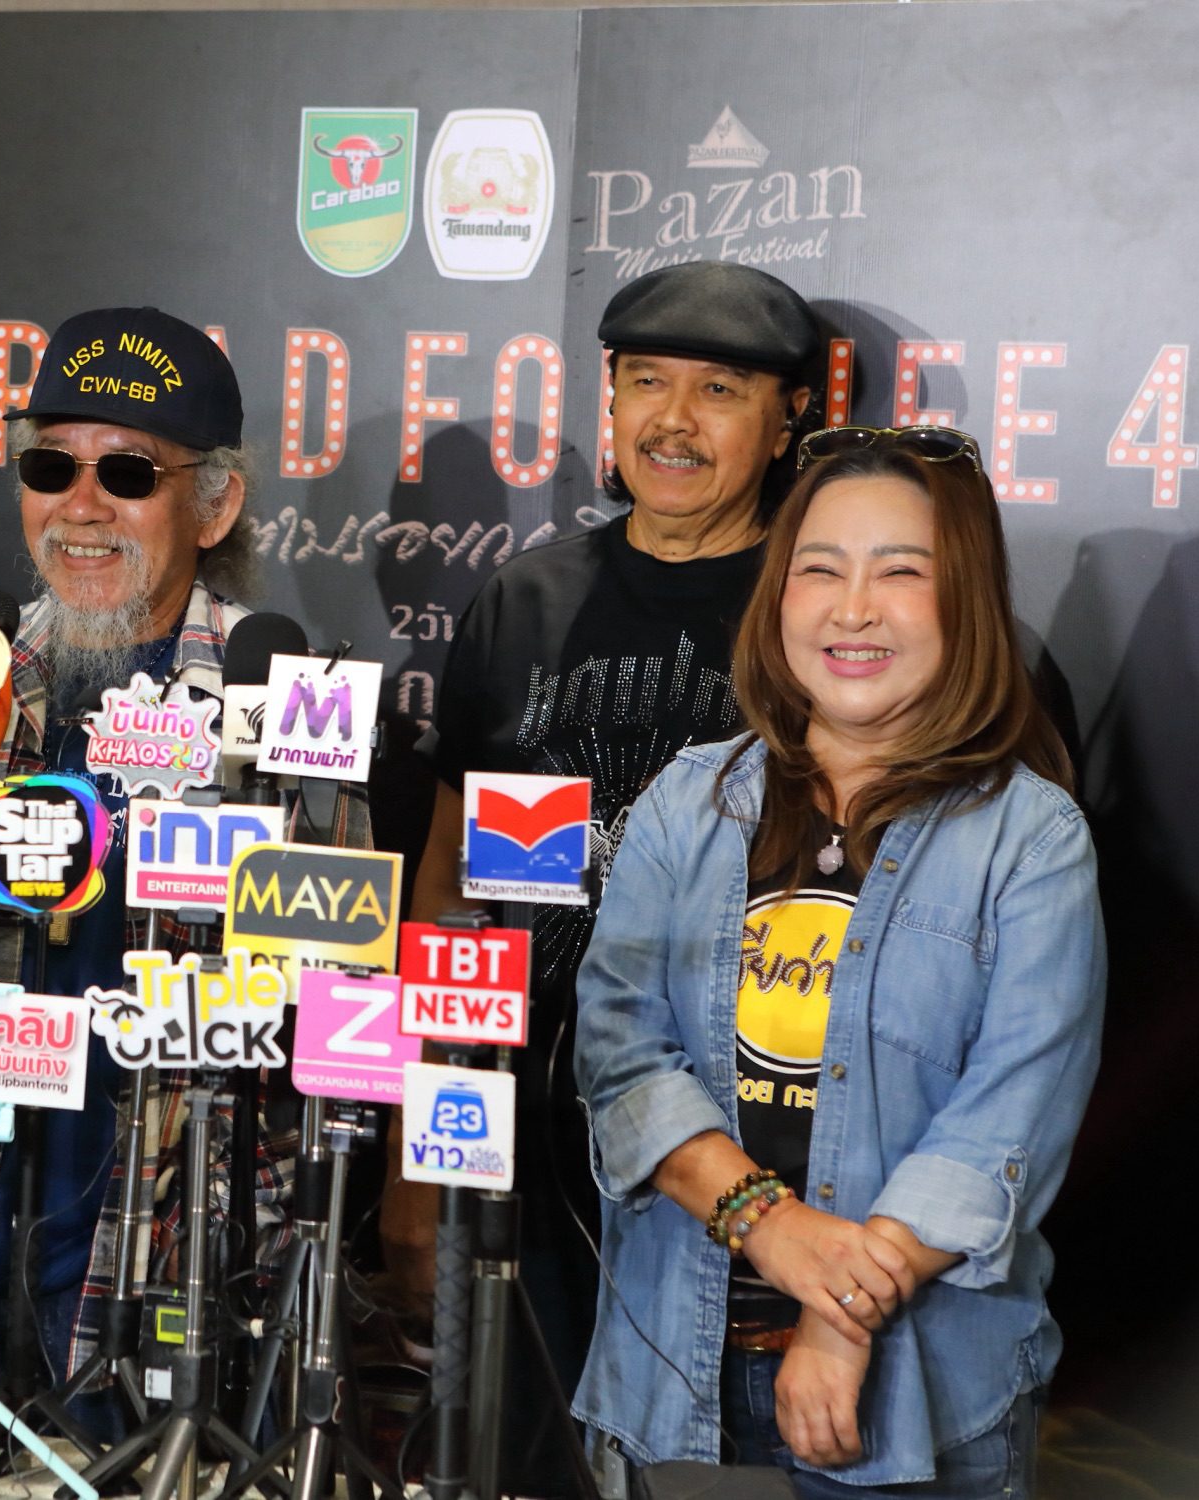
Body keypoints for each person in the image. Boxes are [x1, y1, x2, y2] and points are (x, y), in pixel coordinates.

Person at [0, 307, 358, 1409]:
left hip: (181, 1283)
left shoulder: (282, 710)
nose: (82, 505)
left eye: (129, 472)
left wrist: (265, 1274)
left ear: (216, 504)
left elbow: (331, 1036)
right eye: (52, 464)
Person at [572, 425, 1104, 1496]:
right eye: (820, 569)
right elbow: (621, 1054)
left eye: (900, 573)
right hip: (673, 1375)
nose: (853, 609)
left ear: (967, 602)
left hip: (926, 1397)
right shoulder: (688, 801)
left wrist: (841, 1313)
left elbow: (1006, 1123)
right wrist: (772, 1228)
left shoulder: (1032, 840)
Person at [400, 263, 824, 1448]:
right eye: (646, 382)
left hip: (738, 1153)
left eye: (719, 390)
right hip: (526, 1145)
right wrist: (416, 1148)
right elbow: (447, 884)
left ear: (788, 417)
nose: (672, 422)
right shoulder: (525, 601)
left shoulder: (819, 612)